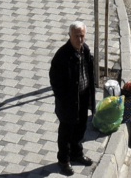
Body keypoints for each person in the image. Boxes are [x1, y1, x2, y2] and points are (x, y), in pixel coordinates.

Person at [49, 21, 97, 174]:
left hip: (83, 96)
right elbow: (55, 80)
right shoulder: (62, 56)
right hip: (68, 102)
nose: (80, 39)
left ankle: (77, 154)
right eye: (76, 36)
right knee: (66, 131)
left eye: (82, 36)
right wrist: (63, 99)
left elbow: (89, 72)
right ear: (70, 36)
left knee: (81, 127)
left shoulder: (85, 50)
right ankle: (64, 160)